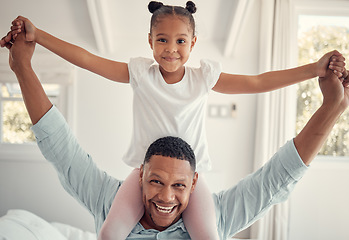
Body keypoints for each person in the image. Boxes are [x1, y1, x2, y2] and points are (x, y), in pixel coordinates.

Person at [1, 2, 347, 239]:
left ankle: (174, 182)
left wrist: (313, 70)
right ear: (149, 42)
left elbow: (257, 83)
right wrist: (39, 36)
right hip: (139, 173)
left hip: (186, 179)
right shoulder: (140, 74)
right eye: (162, 40)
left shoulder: (202, 79)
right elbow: (89, 60)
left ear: (193, 43)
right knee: (108, 233)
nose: (171, 49)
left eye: (180, 41)